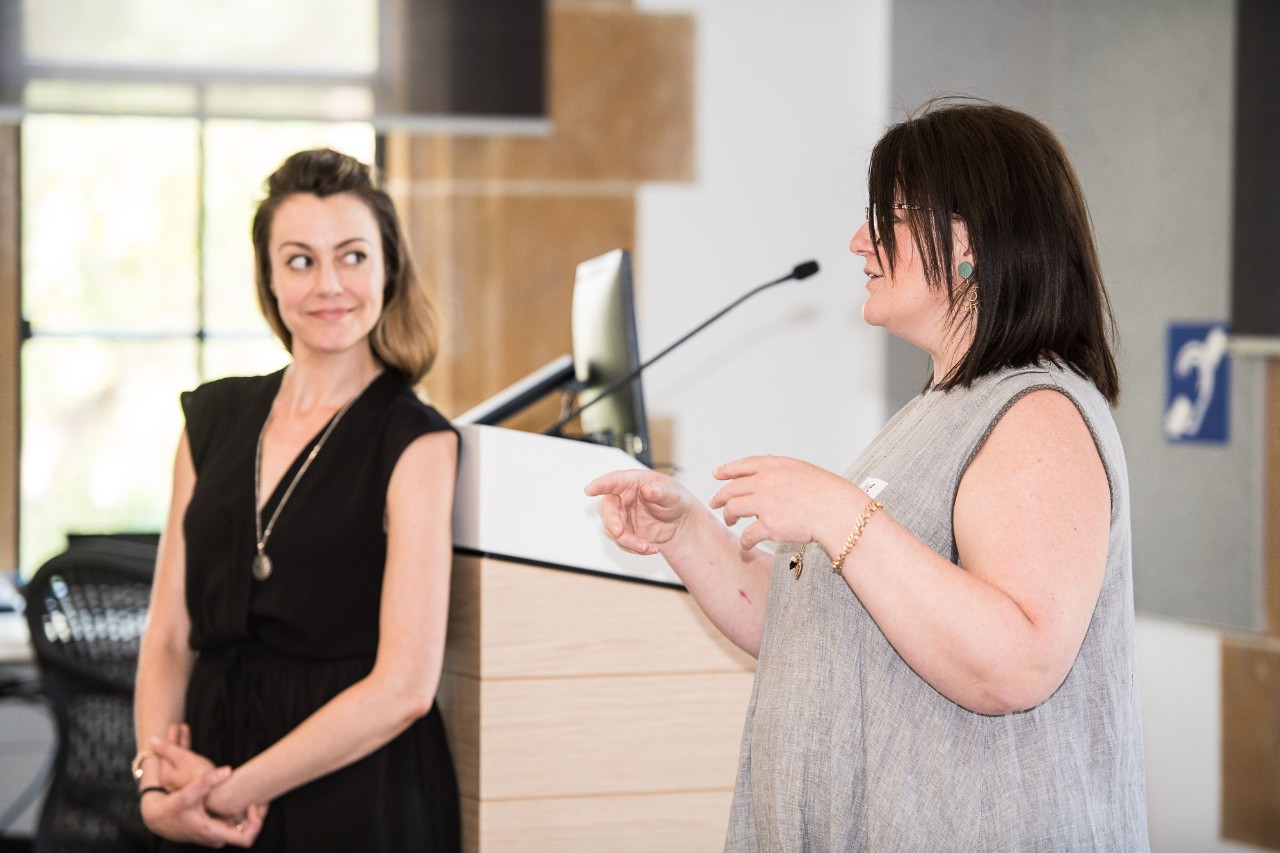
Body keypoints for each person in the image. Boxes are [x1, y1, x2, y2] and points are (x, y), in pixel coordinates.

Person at [586, 99, 1149, 851]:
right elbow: (812, 623)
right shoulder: (942, 408)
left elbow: (1016, 661)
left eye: (891, 216)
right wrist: (686, 531)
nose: (860, 241)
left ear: (971, 239)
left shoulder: (1038, 412)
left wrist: (835, 509)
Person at [133, 148, 461, 851]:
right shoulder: (211, 420)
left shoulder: (418, 441)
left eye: (352, 255)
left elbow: (405, 686)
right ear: (269, 278)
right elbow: (167, 635)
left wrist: (230, 791)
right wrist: (158, 787)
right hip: (202, 790)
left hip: (349, 793)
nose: (329, 285)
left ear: (388, 269)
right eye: (301, 260)